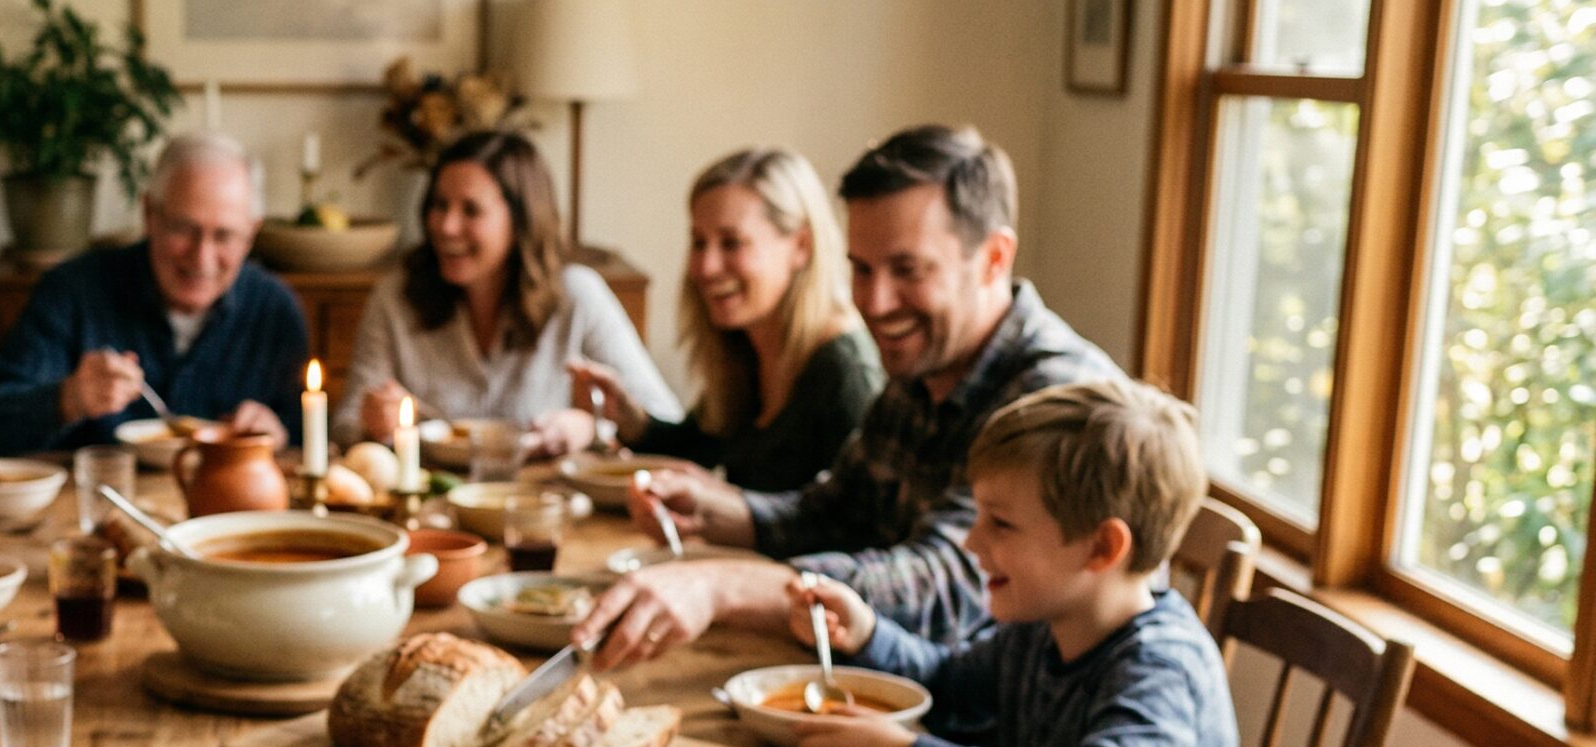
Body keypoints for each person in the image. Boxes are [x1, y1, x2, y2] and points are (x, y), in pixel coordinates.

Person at [579, 124, 1123, 664]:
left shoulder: (1058, 396)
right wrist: (724, 513)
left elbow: (951, 586)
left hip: (989, 726)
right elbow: (836, 510)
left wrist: (725, 586)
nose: (876, 302)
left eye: (907, 269)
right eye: (861, 270)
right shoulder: (927, 361)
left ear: (994, 258)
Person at [784, 381, 1241, 747]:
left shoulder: (1161, 667)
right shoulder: (1045, 623)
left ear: (1101, 548)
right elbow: (950, 683)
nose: (973, 543)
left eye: (999, 524)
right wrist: (868, 632)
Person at [338, 129, 679, 456]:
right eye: (439, 205)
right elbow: (345, 425)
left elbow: (663, 421)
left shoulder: (577, 295)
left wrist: (592, 427)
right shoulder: (397, 296)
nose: (446, 226)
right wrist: (373, 423)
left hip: (545, 505)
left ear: (519, 220)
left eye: (471, 210)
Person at [0, 133, 309, 454]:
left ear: (251, 234)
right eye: (183, 229)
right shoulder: (73, 292)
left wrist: (277, 434)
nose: (201, 258)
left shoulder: (275, 311)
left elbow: (305, 442)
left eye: (223, 236)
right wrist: (68, 399)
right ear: (149, 214)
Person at [569, 147, 880, 493]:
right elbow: (699, 446)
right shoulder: (746, 342)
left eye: (732, 243)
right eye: (699, 243)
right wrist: (632, 421)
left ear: (801, 246)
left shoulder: (844, 373)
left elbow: (855, 526)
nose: (706, 267)